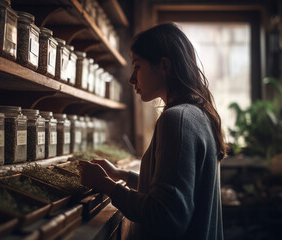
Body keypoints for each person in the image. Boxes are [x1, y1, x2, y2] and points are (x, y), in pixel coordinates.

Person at [78, 22, 228, 240]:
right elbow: (174, 189)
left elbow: (165, 216)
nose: (131, 79)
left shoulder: (177, 119)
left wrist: (106, 185)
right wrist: (121, 175)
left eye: (137, 66)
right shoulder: (197, 113)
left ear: (164, 66)